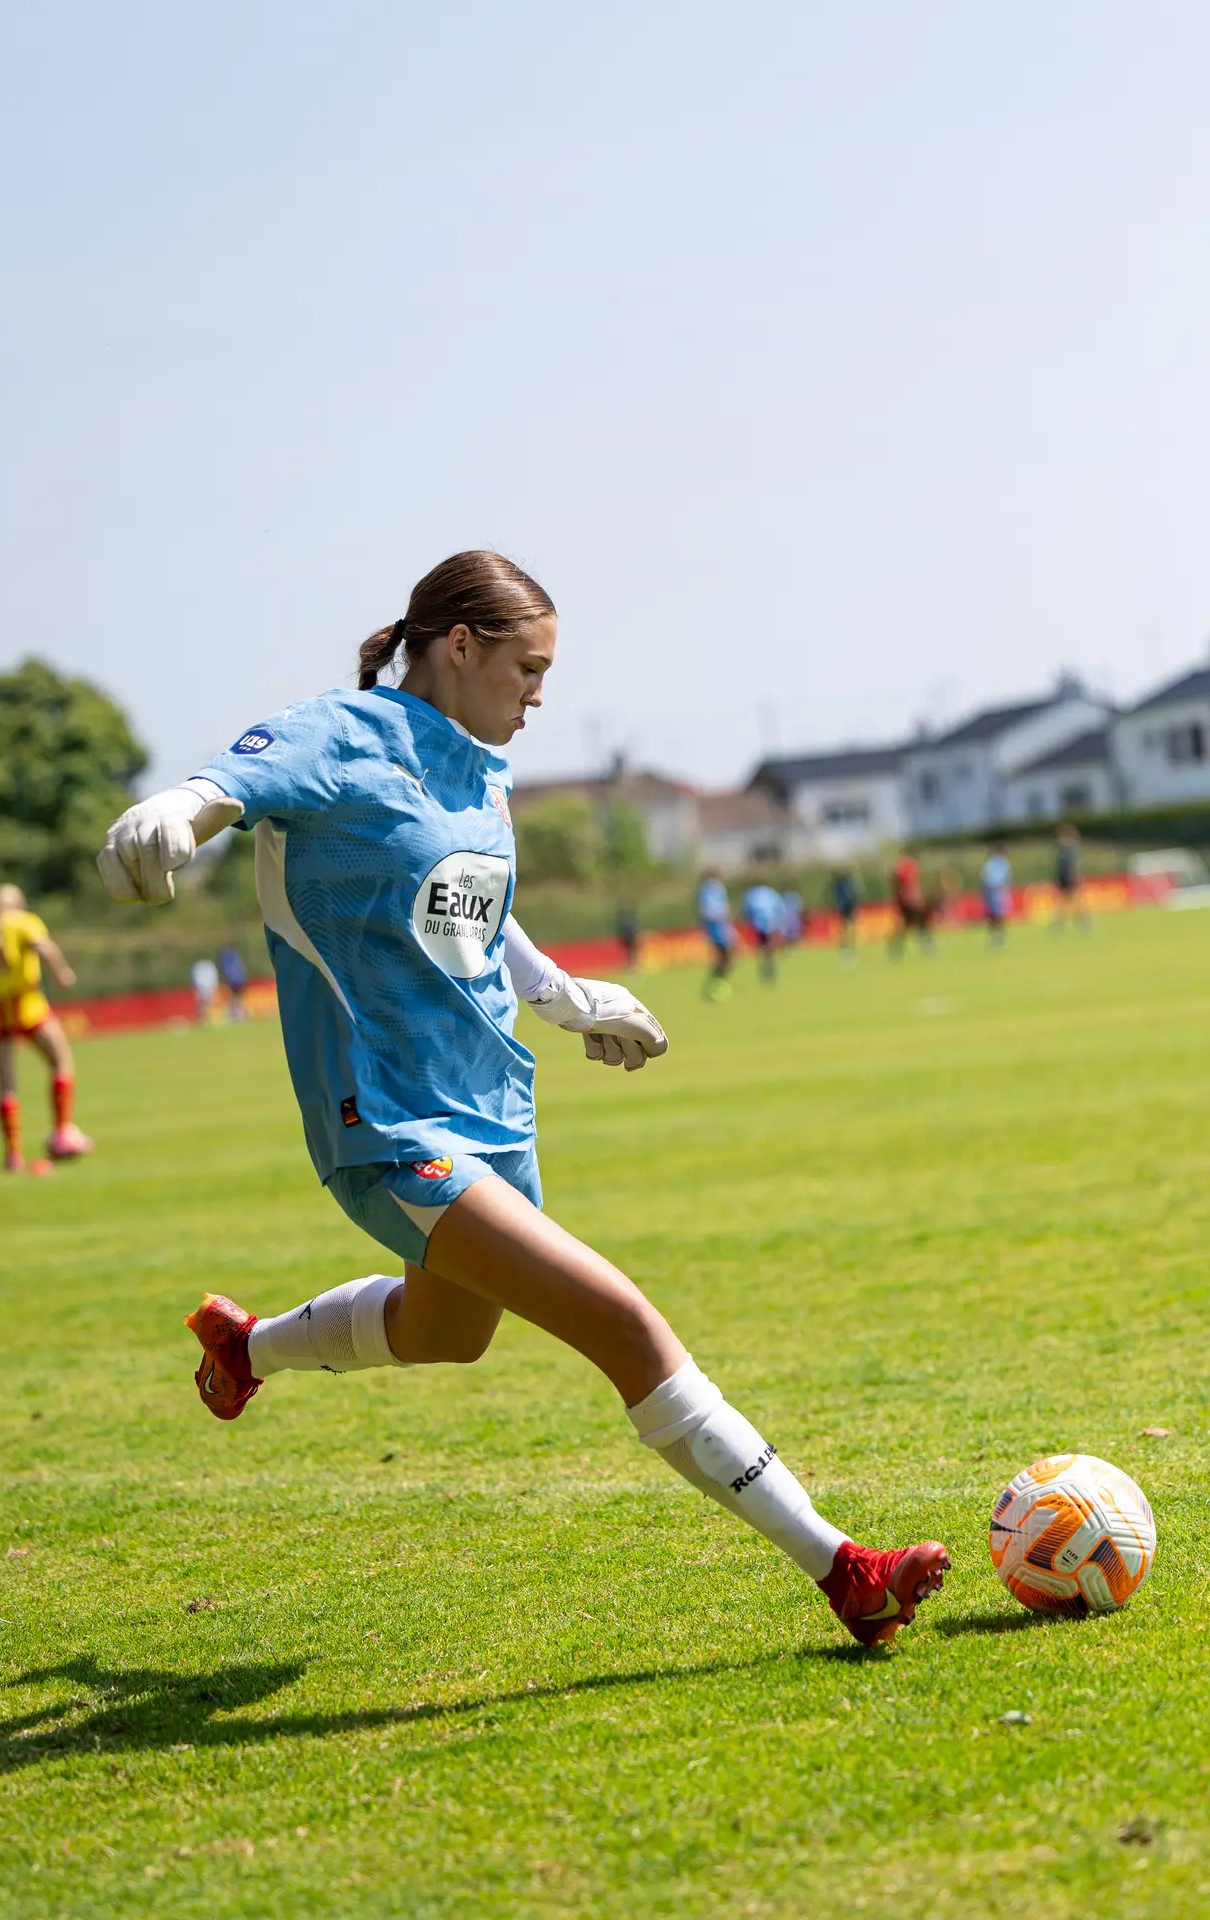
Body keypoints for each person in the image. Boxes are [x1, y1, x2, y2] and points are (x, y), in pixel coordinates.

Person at [98, 549, 949, 1648]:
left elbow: (477, 919)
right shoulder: (345, 734)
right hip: (388, 1124)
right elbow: (226, 785)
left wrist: (564, 998)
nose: (538, 698)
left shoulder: (481, 768)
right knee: (625, 1325)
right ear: (458, 648)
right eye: (526, 670)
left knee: (449, 1333)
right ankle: (843, 1568)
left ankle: (244, 1350)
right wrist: (172, 812)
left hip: (495, 1109)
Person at [0, 884, 93, 1172]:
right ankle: (61, 1133)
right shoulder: (24, 922)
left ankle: (13, 1156)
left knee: (6, 1085)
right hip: (26, 1004)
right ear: (19, 904)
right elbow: (43, 946)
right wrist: (61, 973)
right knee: (61, 1061)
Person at [696, 869, 737, 1001]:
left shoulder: (713, 888)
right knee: (725, 954)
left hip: (721, 925)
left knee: (728, 954)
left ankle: (716, 982)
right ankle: (715, 983)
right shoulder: (711, 887)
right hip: (717, 925)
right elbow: (708, 910)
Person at [888, 851, 933, 957]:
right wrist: (915, 900)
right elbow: (909, 887)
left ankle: (896, 949)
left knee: (914, 925)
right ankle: (926, 945)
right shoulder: (907, 869)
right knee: (916, 924)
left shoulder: (900, 870)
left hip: (906, 902)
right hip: (909, 903)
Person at [740, 882, 784, 982]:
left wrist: (747, 920)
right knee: (770, 948)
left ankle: (764, 970)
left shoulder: (751, 894)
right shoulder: (770, 892)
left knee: (763, 947)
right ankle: (770, 970)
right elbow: (779, 906)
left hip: (758, 924)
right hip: (770, 923)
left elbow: (746, 910)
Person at [1052, 823, 1090, 932]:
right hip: (1064, 880)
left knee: (1077, 903)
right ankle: (1060, 924)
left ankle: (1083, 922)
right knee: (1063, 904)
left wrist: (1075, 877)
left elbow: (1072, 867)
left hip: (1069, 880)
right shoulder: (1064, 852)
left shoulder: (1070, 851)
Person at [980, 844, 1012, 949]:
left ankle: (998, 938)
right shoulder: (993, 864)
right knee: (994, 916)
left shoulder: (1003, 863)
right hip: (993, 891)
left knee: (1000, 916)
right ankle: (995, 938)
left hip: (999, 891)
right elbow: (988, 879)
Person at [830, 868, 860, 960]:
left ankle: (847, 944)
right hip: (846, 908)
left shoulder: (844, 886)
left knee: (847, 927)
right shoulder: (848, 886)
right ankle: (846, 944)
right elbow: (855, 897)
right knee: (847, 927)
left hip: (846, 908)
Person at [217, 943, 249, 1019]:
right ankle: (240, 1013)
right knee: (237, 998)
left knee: (234, 997)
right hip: (239, 979)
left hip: (233, 980)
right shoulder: (234, 956)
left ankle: (237, 1013)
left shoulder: (225, 957)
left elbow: (226, 970)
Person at [191, 956, 220, 1025]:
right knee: (202, 1004)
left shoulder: (208, 966)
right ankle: (202, 1019)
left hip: (206, 987)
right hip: (202, 987)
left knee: (207, 1004)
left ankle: (207, 1019)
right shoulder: (200, 967)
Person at [615, 905, 641, 971]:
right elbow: (636, 930)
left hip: (627, 938)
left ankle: (631, 965)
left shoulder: (623, 922)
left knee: (630, 952)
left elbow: (621, 931)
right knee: (632, 952)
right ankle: (633, 966)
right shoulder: (633, 920)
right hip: (630, 937)